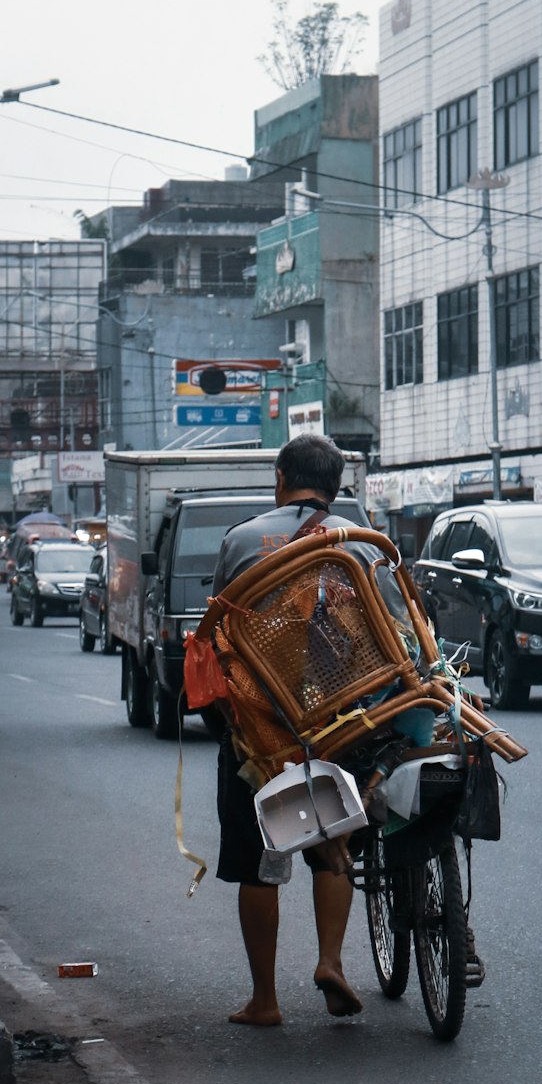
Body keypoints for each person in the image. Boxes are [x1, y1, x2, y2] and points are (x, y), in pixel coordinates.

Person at [211, 433, 367, 1029]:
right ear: (336, 485)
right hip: (342, 718)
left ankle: (265, 1002)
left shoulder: (243, 539)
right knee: (334, 846)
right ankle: (330, 961)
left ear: (280, 477)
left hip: (262, 723)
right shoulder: (363, 540)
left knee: (258, 861)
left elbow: (219, 626)